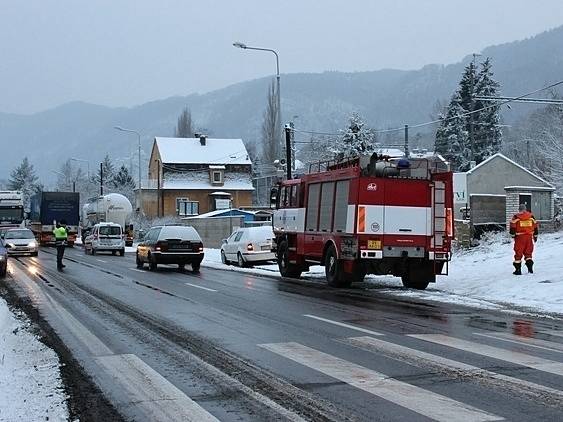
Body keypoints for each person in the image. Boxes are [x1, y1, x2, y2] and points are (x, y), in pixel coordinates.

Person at [509, 204, 538, 275]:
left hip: (519, 238)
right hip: (529, 237)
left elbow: (513, 227)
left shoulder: (516, 217)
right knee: (528, 253)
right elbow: (535, 227)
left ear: (519, 209)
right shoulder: (531, 216)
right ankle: (530, 269)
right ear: (525, 209)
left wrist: (512, 235)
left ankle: (518, 270)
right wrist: (535, 236)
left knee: (518, 253)